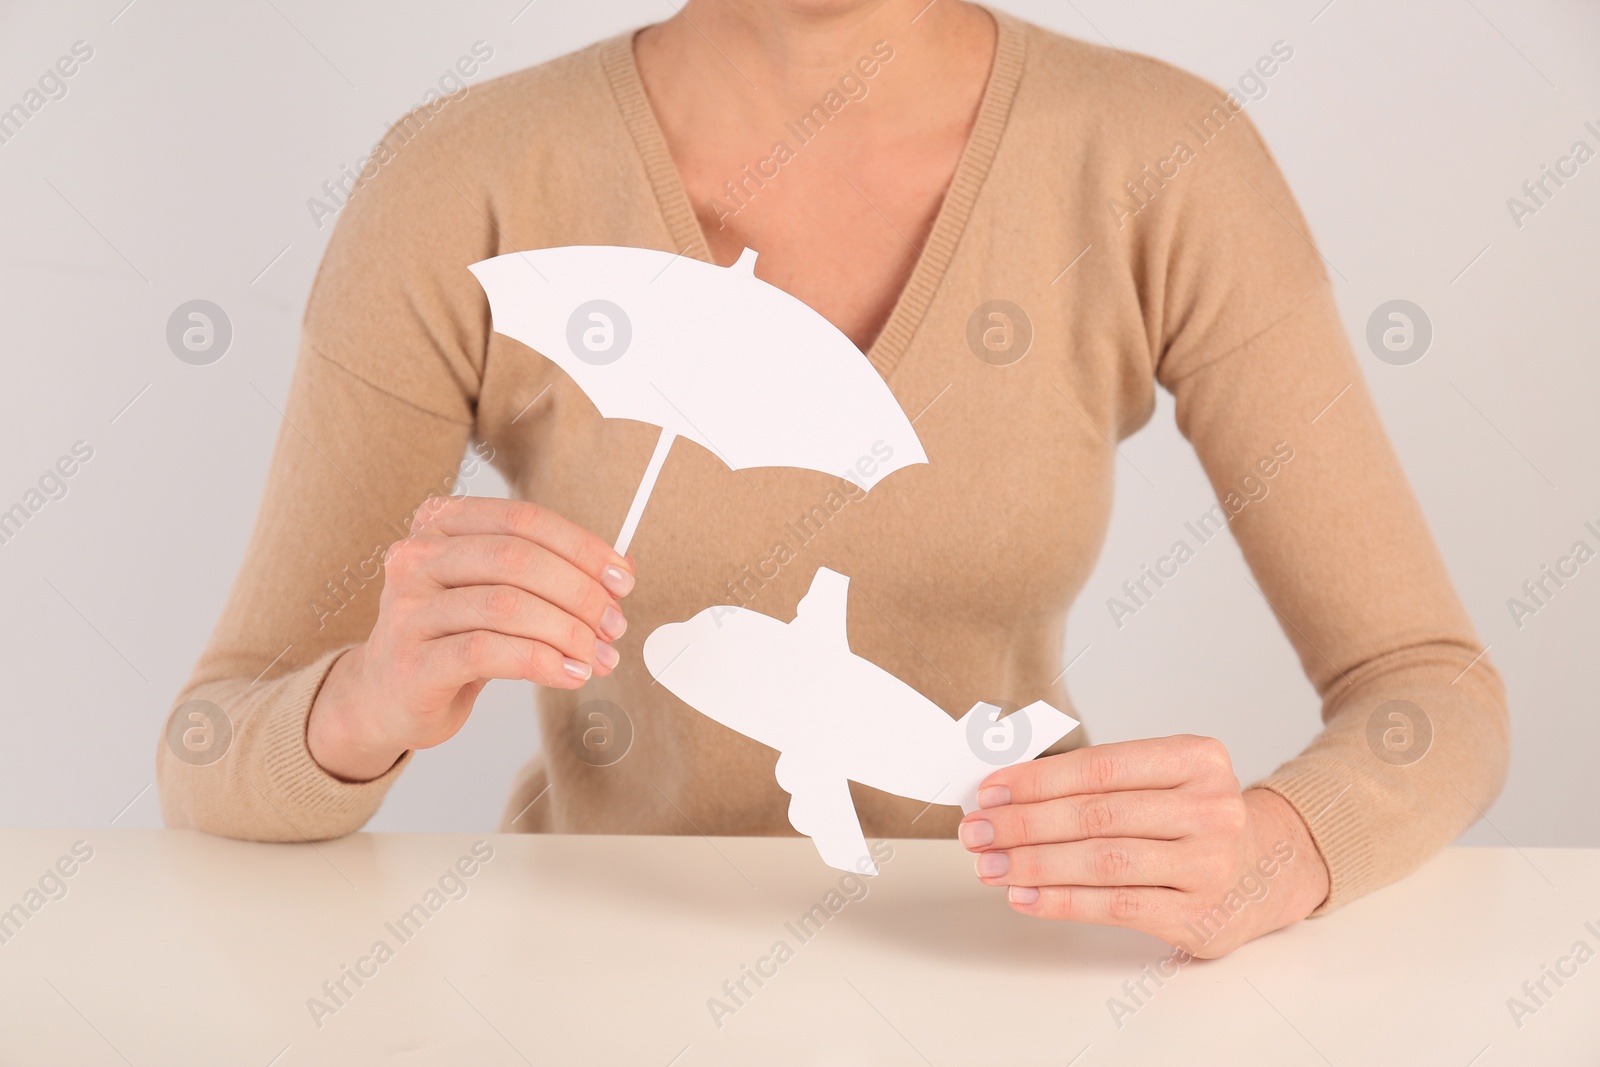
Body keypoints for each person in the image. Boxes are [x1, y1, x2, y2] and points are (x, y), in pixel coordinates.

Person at [158, 0, 1508, 958]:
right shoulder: (464, 177)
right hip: (582, 979)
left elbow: (1432, 689)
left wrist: (1275, 854)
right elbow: (208, 748)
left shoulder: (1161, 159)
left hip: (1019, 964)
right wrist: (366, 698)